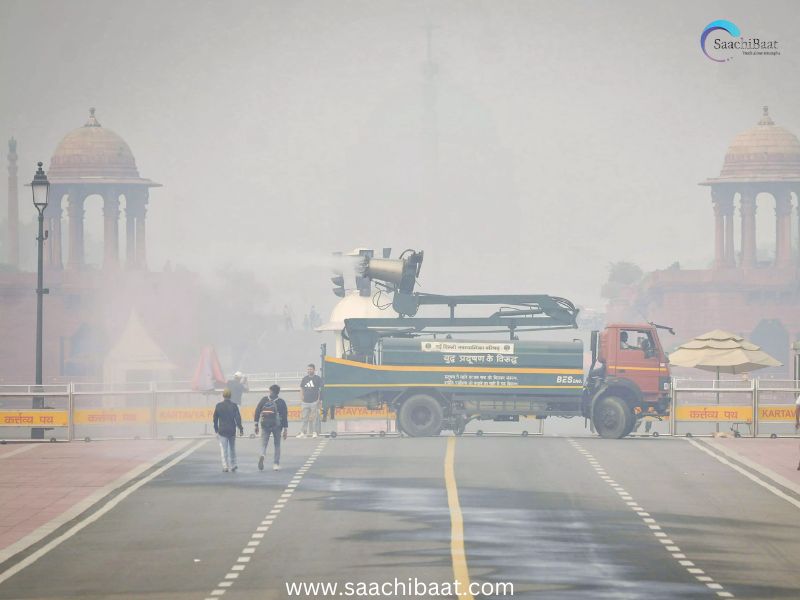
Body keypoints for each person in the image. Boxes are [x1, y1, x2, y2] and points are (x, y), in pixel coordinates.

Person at [255, 384, 288, 471]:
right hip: (277, 426)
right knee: (277, 444)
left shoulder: (264, 399)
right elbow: (284, 416)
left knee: (264, 444)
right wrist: (285, 429)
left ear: (271, 391)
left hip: (265, 425)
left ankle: (262, 455)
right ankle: (276, 464)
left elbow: (257, 411)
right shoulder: (281, 402)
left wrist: (256, 424)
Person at [213, 389, 243, 472]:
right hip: (231, 430)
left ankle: (225, 466)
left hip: (222, 430)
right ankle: (233, 465)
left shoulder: (218, 405)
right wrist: (240, 428)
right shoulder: (234, 406)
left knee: (224, 449)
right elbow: (238, 418)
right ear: (230, 396)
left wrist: (216, 429)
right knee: (232, 448)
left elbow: (215, 419)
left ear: (223, 396)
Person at [298, 363, 323, 438]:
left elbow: (320, 390)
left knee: (315, 418)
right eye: (308, 369)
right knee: (304, 417)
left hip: (314, 401)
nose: (309, 370)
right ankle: (303, 432)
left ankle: (315, 432)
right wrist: (301, 397)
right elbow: (301, 388)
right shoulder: (304, 379)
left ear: (314, 370)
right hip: (305, 402)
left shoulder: (318, 379)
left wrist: (319, 400)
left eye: (310, 369)